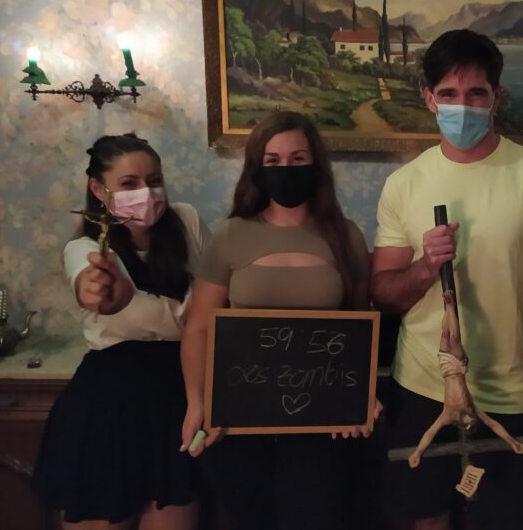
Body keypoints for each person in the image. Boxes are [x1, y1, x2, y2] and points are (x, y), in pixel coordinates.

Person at [371, 29, 523, 530]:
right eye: (448, 93)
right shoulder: (403, 185)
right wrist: (425, 266)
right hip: (421, 391)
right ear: (428, 98)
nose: (461, 106)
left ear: (496, 97)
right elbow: (383, 292)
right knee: (427, 520)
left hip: (510, 395)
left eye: (475, 93)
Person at [179, 111, 377, 530]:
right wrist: (197, 403)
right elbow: (198, 328)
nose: (286, 169)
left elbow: (360, 330)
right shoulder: (231, 235)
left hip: (323, 426)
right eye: (273, 160)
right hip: (239, 421)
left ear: (316, 165)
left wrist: (361, 398)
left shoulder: (347, 237)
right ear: (257, 168)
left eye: (297, 158)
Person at [33, 134, 206, 530]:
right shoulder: (85, 248)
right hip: (109, 408)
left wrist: (140, 301)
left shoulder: (187, 222)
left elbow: (214, 309)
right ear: (99, 189)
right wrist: (107, 295)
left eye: (154, 180)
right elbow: (93, 287)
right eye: (129, 183)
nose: (146, 193)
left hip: (179, 401)